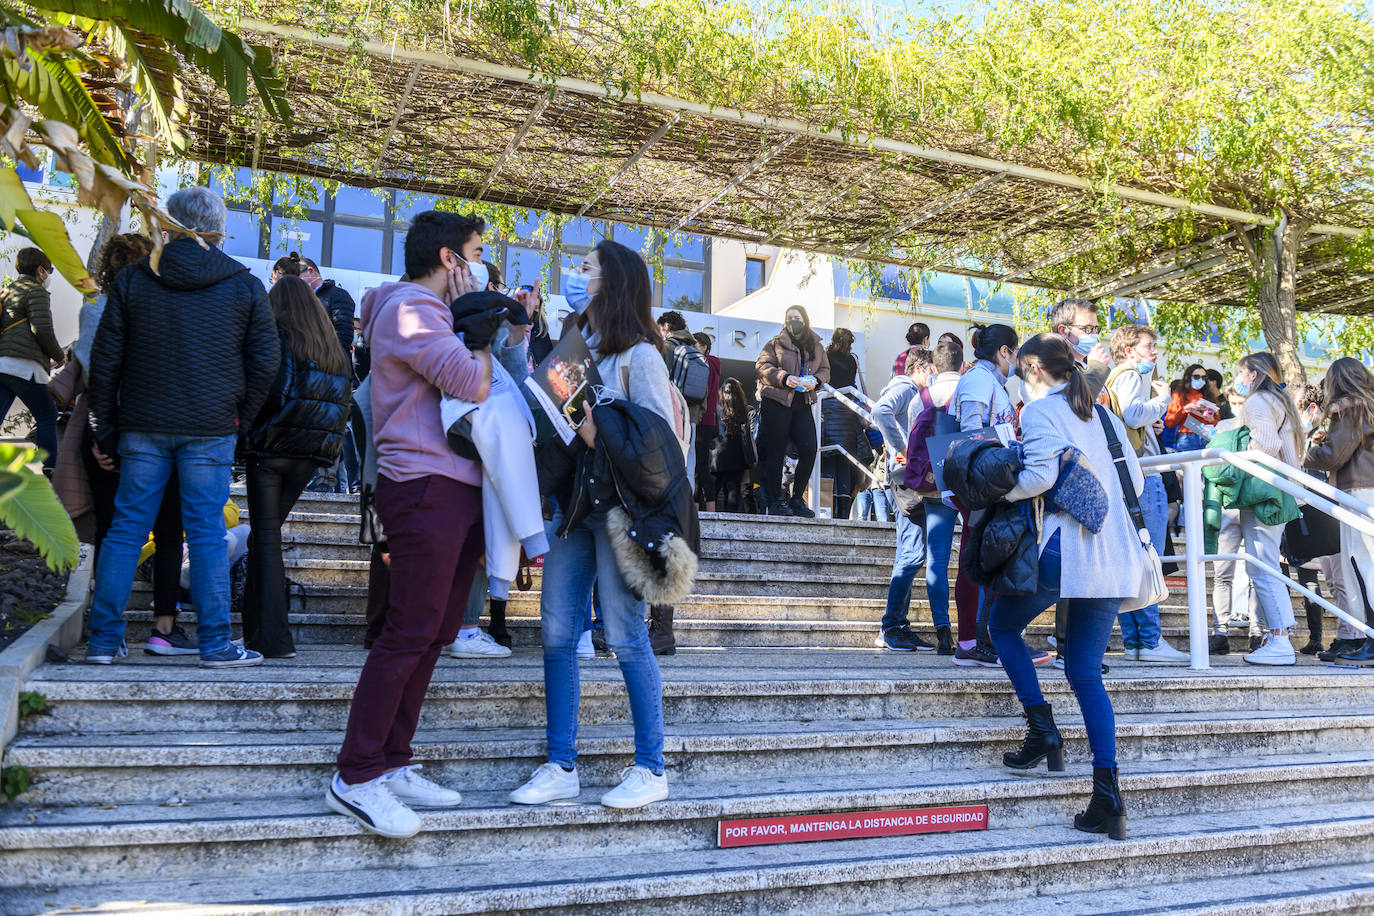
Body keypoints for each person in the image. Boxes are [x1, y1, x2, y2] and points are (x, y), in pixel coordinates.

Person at [327, 209, 493, 838]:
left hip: (453, 483)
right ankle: (357, 773)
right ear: (450, 258)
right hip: (424, 482)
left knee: (433, 631)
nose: (477, 267)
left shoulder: (432, 314)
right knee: (408, 631)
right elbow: (469, 382)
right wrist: (483, 335)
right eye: (474, 255)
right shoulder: (410, 310)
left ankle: (393, 759)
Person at [508, 239, 676, 811]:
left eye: (587, 269)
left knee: (626, 636)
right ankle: (561, 765)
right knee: (557, 634)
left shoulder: (642, 357)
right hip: (571, 508)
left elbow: (659, 449)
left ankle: (650, 767)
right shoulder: (575, 348)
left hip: (617, 514)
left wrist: (590, 422)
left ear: (615, 282)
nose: (577, 277)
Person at [84, 186, 278, 668]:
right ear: (219, 229)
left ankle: (103, 643)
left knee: (126, 530)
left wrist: (104, 429)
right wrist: (240, 421)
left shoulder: (133, 280)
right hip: (211, 426)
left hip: (143, 424)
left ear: (167, 225)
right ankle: (215, 645)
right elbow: (267, 362)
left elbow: (106, 361)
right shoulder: (244, 285)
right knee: (208, 532)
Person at [986, 333, 1142, 841]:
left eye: (1020, 369)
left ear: (1032, 367)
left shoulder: (1039, 413)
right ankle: (1107, 796)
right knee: (1085, 675)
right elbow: (1134, 484)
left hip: (1068, 551)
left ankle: (1042, 728)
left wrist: (997, 490)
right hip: (1115, 558)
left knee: (1002, 628)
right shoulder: (1104, 414)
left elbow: (1036, 477)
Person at [242, 276, 352, 659]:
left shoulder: (278, 336)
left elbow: (273, 391)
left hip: (271, 450)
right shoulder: (330, 348)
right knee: (262, 537)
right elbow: (341, 403)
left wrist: (249, 430)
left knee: (266, 536)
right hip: (309, 455)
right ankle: (256, 631)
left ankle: (273, 638)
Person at [1104, 325, 1189, 663]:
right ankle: (1150, 641)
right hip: (1145, 476)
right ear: (1129, 350)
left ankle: (1136, 641)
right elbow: (1134, 412)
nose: (1154, 351)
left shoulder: (1115, 378)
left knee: (1133, 560)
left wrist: (1153, 416)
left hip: (1129, 476)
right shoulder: (1129, 375)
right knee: (1148, 558)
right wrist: (1163, 399)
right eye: (1149, 346)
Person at [1223, 352, 1305, 665]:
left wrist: (1235, 454)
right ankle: (1278, 636)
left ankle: (1280, 639)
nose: (1238, 379)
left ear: (1254, 375)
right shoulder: (1280, 401)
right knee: (1266, 563)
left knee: (1262, 565)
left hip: (1263, 491)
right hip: (1280, 489)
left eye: (1241, 372)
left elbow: (1265, 446)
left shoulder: (1257, 402)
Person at [949, 323, 1019, 667]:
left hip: (989, 480)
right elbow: (971, 430)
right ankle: (968, 642)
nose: (1017, 360)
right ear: (1004, 351)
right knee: (973, 563)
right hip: (979, 482)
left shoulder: (991, 381)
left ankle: (980, 638)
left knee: (983, 562)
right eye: (1015, 352)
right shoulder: (979, 379)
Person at [1304, 357, 1374, 663]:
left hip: (1359, 493)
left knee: (1363, 568)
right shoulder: (1367, 408)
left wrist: (1309, 453)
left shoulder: (1352, 410)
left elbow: (1332, 457)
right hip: (1366, 492)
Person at [872, 346, 934, 651]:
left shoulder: (911, 390)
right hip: (906, 479)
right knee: (912, 555)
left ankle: (896, 624)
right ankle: (892, 626)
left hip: (907, 478)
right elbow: (879, 411)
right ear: (920, 368)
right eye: (932, 370)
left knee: (910, 554)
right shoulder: (905, 386)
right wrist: (905, 450)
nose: (935, 376)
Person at [755, 306, 830, 517]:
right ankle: (776, 501)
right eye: (789, 318)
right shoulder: (775, 343)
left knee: (809, 448)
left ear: (805, 320)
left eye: (797, 318)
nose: (793, 321)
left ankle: (797, 499)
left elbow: (825, 370)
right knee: (775, 451)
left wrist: (816, 381)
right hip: (776, 401)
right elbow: (761, 367)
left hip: (802, 402)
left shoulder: (816, 346)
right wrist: (784, 377)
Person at [0, 247, 64, 472]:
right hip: (23, 365)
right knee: (48, 415)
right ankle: (50, 468)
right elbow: (42, 329)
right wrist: (59, 355)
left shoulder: (8, 290)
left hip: (3, 364)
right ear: (40, 270)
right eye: (49, 270)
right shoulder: (34, 291)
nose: (49, 276)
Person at [922, 338, 963, 655]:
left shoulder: (922, 397)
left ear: (934, 368)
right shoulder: (972, 389)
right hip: (972, 482)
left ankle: (943, 632)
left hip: (935, 483)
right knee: (973, 557)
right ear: (963, 364)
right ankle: (976, 629)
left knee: (936, 560)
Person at [822, 328, 866, 521]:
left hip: (827, 410)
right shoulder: (852, 359)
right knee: (845, 462)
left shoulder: (824, 356)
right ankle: (843, 514)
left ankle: (825, 510)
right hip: (847, 411)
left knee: (827, 460)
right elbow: (855, 384)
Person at [1048, 298, 1110, 397]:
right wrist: (1097, 369)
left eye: (1096, 329)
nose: (1094, 334)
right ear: (1063, 331)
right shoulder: (1052, 368)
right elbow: (1076, 405)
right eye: (1087, 328)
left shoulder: (1085, 365)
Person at [711, 378, 753, 513]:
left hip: (717, 455)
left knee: (713, 491)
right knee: (733, 494)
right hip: (738, 457)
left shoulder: (716, 409)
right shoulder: (744, 412)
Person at [692, 331, 722, 512]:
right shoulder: (712, 364)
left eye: (695, 344)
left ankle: (710, 506)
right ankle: (700, 505)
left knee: (700, 465)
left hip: (701, 417)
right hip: (707, 419)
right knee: (699, 465)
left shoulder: (705, 363)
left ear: (704, 346)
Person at [1164, 363, 1219, 452]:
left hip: (1207, 436)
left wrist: (1211, 419)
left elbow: (1216, 423)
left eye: (1204, 377)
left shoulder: (1209, 396)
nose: (1200, 380)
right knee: (1189, 465)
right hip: (1187, 438)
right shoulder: (1179, 395)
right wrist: (1185, 409)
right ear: (1188, 377)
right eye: (1197, 377)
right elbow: (1169, 422)